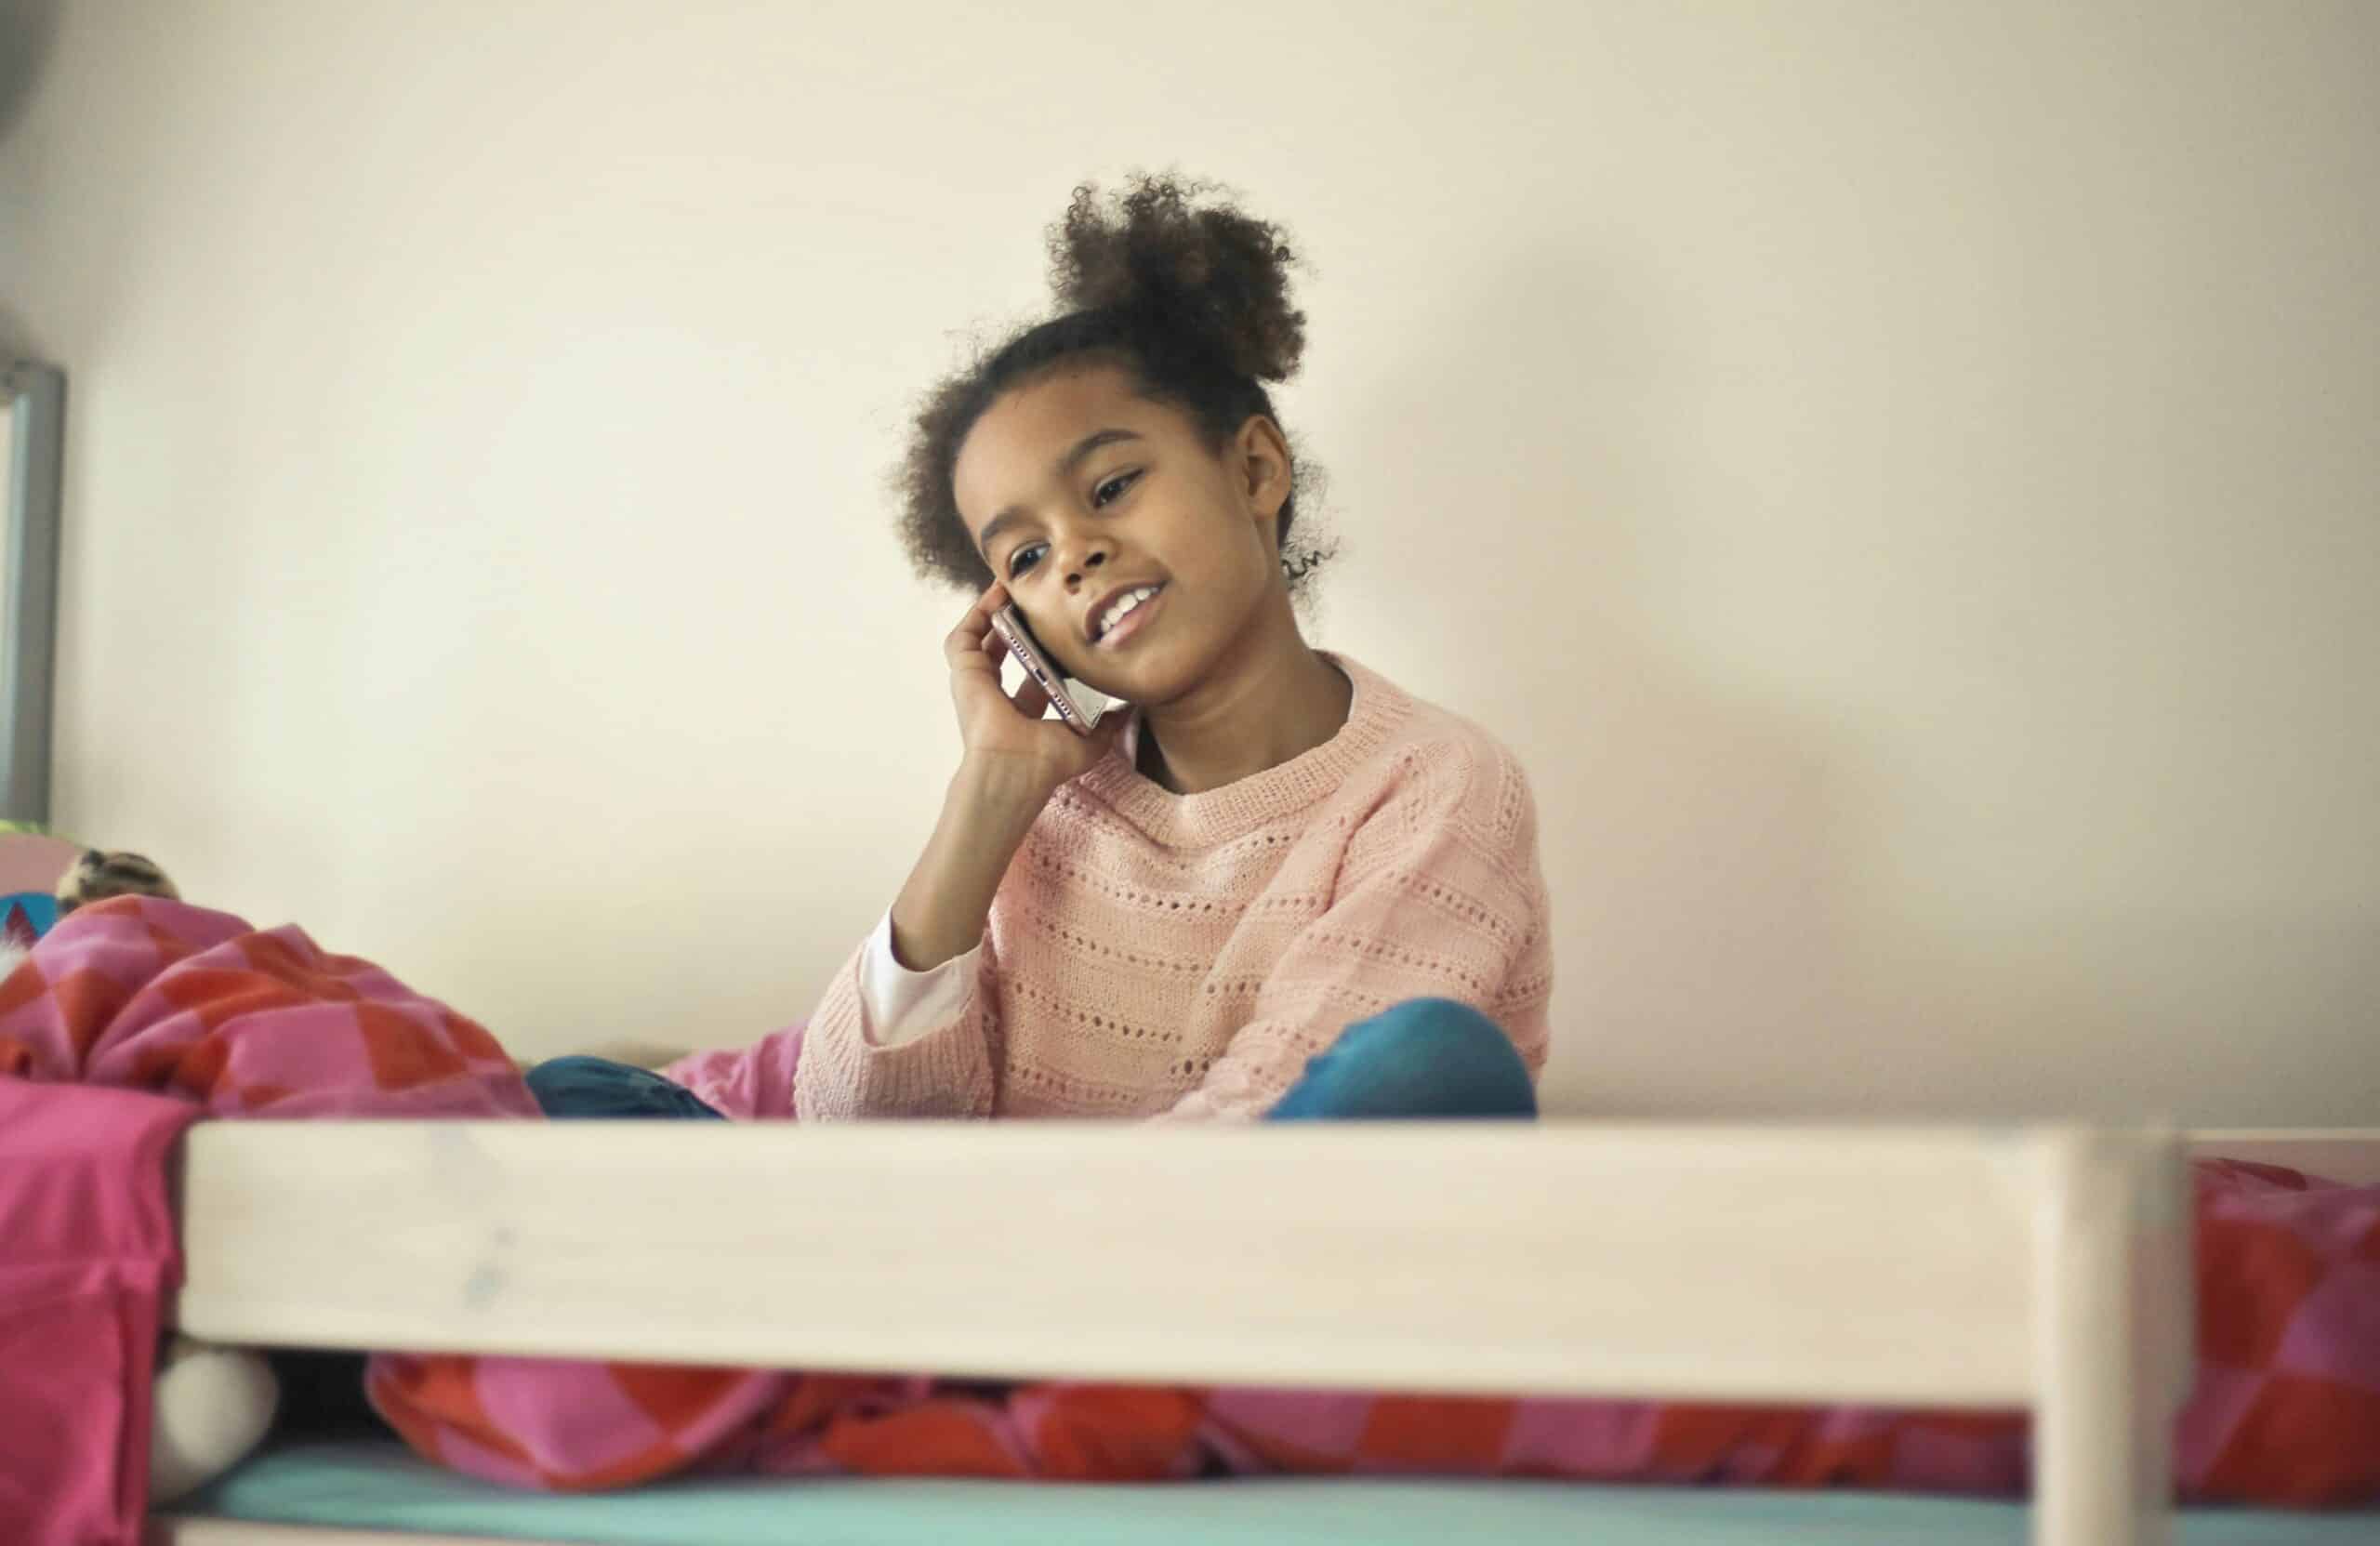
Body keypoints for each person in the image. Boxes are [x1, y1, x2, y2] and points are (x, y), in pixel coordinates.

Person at [533, 170, 1553, 1125]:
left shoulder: (1435, 782)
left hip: (1213, 1270)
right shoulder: (1048, 809)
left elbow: (1271, 1123)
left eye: (1109, 489)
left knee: (1423, 1060)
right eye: (1024, 555)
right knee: (569, 1095)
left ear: (1252, 469)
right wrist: (988, 800)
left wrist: (1007, 1244)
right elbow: (847, 1126)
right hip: (970, 1273)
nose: (1076, 556)